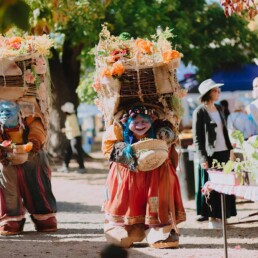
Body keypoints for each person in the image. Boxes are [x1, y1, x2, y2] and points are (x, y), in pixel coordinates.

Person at [102, 105, 186, 249]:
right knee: (127, 201)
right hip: (128, 176)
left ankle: (158, 228)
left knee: (156, 201)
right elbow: (108, 149)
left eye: (144, 121)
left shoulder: (162, 130)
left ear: (152, 120)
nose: (140, 125)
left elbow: (172, 145)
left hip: (156, 175)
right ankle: (128, 228)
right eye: (135, 122)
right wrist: (127, 154)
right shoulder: (118, 131)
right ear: (127, 122)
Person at [0, 100, 57, 235]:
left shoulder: (29, 116)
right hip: (6, 159)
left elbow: (37, 129)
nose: (4, 113)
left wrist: (34, 141)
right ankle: (12, 218)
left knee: (38, 183)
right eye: (1, 110)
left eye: (9, 110)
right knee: (7, 184)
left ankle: (44, 216)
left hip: (31, 154)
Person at [192, 79, 237, 228]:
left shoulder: (219, 108)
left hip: (224, 151)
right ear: (208, 93)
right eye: (215, 90)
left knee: (225, 185)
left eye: (218, 90)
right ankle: (212, 217)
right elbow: (197, 138)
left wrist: (231, 151)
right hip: (210, 154)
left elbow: (224, 132)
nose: (218, 92)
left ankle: (224, 216)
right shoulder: (199, 111)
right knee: (212, 186)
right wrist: (202, 157)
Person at [60, 102, 86, 174]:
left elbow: (74, 128)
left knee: (77, 153)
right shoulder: (69, 117)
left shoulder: (72, 117)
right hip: (71, 137)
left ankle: (81, 167)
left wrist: (65, 130)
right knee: (68, 152)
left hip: (75, 137)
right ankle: (65, 166)